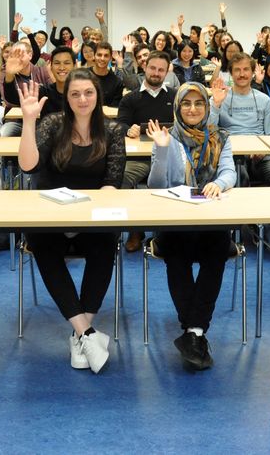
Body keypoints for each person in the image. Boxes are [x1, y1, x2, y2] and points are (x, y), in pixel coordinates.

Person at [15, 70, 126, 374]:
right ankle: (87, 333)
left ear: (98, 95)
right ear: (67, 98)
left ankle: (80, 333)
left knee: (106, 241)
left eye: (88, 93)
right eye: (75, 94)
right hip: (52, 213)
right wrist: (28, 120)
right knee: (41, 241)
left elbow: (112, 183)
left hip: (91, 215)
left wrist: (85, 214)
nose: (82, 99)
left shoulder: (113, 130)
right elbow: (28, 166)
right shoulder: (52, 125)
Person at [145, 82, 236, 370]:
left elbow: (230, 172)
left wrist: (217, 183)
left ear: (207, 108)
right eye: (187, 103)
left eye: (199, 103)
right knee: (177, 254)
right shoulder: (167, 137)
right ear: (177, 107)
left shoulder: (221, 136)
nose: (193, 109)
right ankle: (196, 332)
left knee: (217, 251)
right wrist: (161, 151)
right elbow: (157, 184)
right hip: (176, 219)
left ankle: (192, 332)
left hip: (211, 218)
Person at [117, 51, 177, 251]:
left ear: (167, 72)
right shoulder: (130, 98)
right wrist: (129, 129)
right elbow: (120, 124)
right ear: (144, 67)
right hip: (140, 157)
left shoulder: (176, 96)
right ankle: (135, 229)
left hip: (169, 154)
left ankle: (170, 230)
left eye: (161, 70)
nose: (156, 73)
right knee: (122, 178)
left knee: (181, 178)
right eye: (153, 68)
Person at [216, 53, 270, 186]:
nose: (242, 74)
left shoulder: (264, 100)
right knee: (240, 177)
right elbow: (210, 131)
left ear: (253, 72)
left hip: (259, 153)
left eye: (246, 69)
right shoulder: (220, 98)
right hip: (231, 153)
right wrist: (215, 105)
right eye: (237, 70)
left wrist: (264, 151)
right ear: (230, 73)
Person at [89, 42, 125, 107]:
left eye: (106, 56)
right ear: (94, 56)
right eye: (99, 55)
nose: (102, 58)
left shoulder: (117, 82)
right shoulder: (83, 76)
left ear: (110, 58)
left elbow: (115, 108)